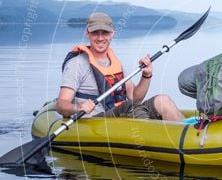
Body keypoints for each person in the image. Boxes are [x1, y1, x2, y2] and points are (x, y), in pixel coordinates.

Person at [56, 12, 185, 121]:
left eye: (105, 33)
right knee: (130, 107)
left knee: (162, 100)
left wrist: (146, 75)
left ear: (112, 33)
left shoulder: (115, 62)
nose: (100, 38)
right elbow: (61, 104)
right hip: (97, 121)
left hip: (121, 115)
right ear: (88, 33)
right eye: (95, 33)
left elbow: (135, 97)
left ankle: (191, 140)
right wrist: (77, 107)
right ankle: (155, 139)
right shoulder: (77, 64)